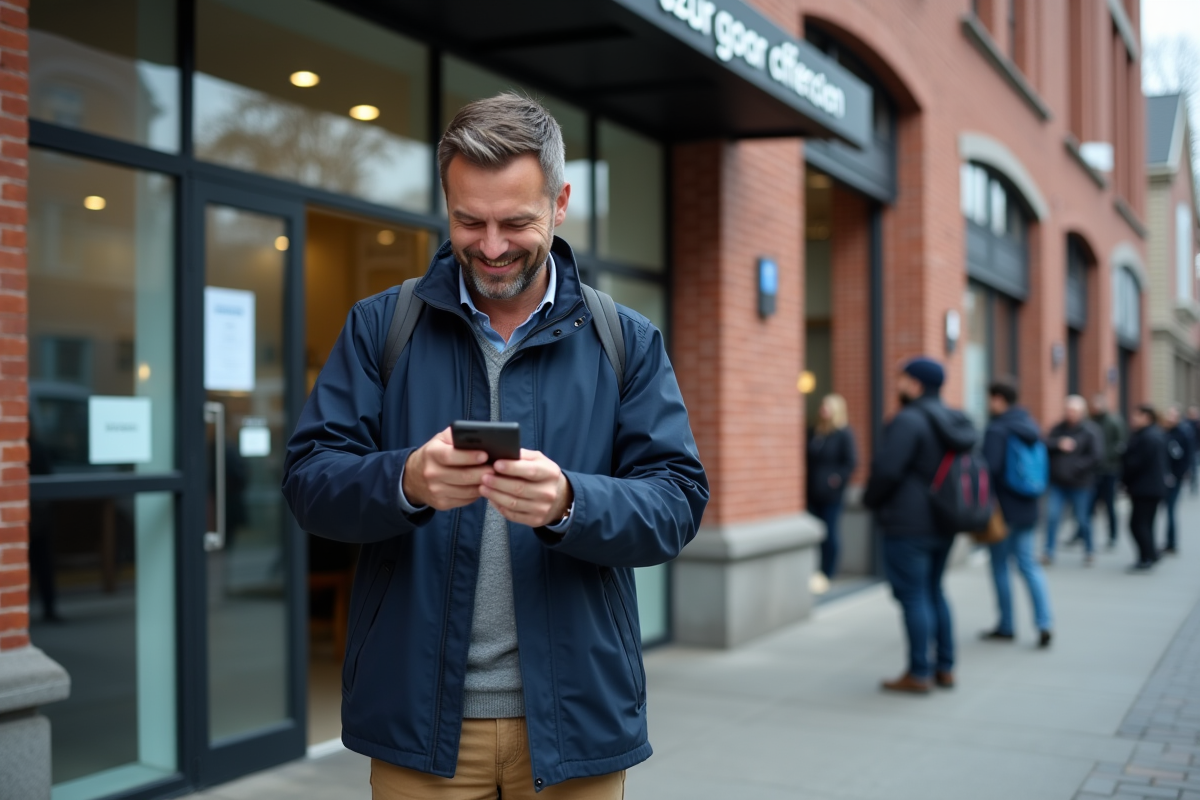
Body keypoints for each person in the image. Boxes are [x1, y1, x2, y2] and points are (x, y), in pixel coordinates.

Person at [282, 94, 709, 799]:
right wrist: (406, 482)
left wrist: (573, 502)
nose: (489, 246)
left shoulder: (623, 339)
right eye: (467, 221)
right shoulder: (379, 327)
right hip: (420, 726)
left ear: (562, 201)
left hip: (576, 719)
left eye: (516, 222)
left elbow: (677, 499)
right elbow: (308, 481)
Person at [864, 357, 976, 694]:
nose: (898, 384)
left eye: (902, 379)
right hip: (946, 520)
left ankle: (918, 672)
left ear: (915, 384)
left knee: (914, 597)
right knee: (935, 591)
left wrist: (870, 501)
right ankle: (945, 667)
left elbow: (886, 471)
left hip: (908, 523)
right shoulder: (957, 419)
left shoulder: (908, 420)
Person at [980, 379, 1053, 648]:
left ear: (998, 399)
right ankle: (1044, 622)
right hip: (1029, 506)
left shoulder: (997, 429)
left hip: (1002, 510)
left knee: (1000, 567)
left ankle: (1006, 626)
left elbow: (989, 470)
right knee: (1029, 566)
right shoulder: (1030, 425)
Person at [806, 393, 858, 594]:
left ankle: (829, 572)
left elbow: (851, 462)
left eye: (827, 407)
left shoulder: (843, 433)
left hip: (831, 494)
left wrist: (835, 479)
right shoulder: (815, 431)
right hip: (812, 492)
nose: (823, 410)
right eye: (822, 406)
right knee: (817, 533)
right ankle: (816, 570)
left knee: (830, 532)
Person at [1043, 396, 1102, 565]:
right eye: (1068, 410)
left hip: (1080, 483)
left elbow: (1096, 456)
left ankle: (1089, 550)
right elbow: (1045, 444)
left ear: (1081, 412)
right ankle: (1049, 551)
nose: (1070, 414)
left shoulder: (1090, 430)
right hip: (1058, 483)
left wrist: (1076, 467)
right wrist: (1058, 444)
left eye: (1074, 411)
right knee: (1052, 517)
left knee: (1083, 519)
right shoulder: (1058, 429)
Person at [1121, 404, 1169, 572]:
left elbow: (1136, 464)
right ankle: (1150, 554)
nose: (1133, 419)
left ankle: (1146, 557)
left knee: (1138, 524)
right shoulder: (1153, 434)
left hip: (1145, 488)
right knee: (1146, 524)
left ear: (1146, 417)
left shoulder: (1147, 437)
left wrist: (1124, 478)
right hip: (1151, 487)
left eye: (1137, 416)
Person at [1089, 393, 1127, 549]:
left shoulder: (1113, 421)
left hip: (1110, 470)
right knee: (1089, 504)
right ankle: (1082, 534)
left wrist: (1107, 458)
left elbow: (1121, 444)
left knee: (1109, 505)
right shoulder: (1091, 421)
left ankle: (1112, 535)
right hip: (1093, 471)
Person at [1161, 406, 1195, 555]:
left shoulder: (1183, 434)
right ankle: (1168, 541)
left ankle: (1171, 542)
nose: (1169, 419)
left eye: (1172, 416)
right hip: (1163, 477)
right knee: (1166, 510)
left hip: (1175, 478)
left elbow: (1187, 456)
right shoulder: (1164, 432)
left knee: (1170, 509)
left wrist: (1179, 475)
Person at [1186, 405, 1200, 495]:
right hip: (1188, 448)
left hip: (1195, 448)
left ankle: (1193, 484)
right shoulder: (1186, 423)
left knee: (1194, 467)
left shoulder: (1197, 424)